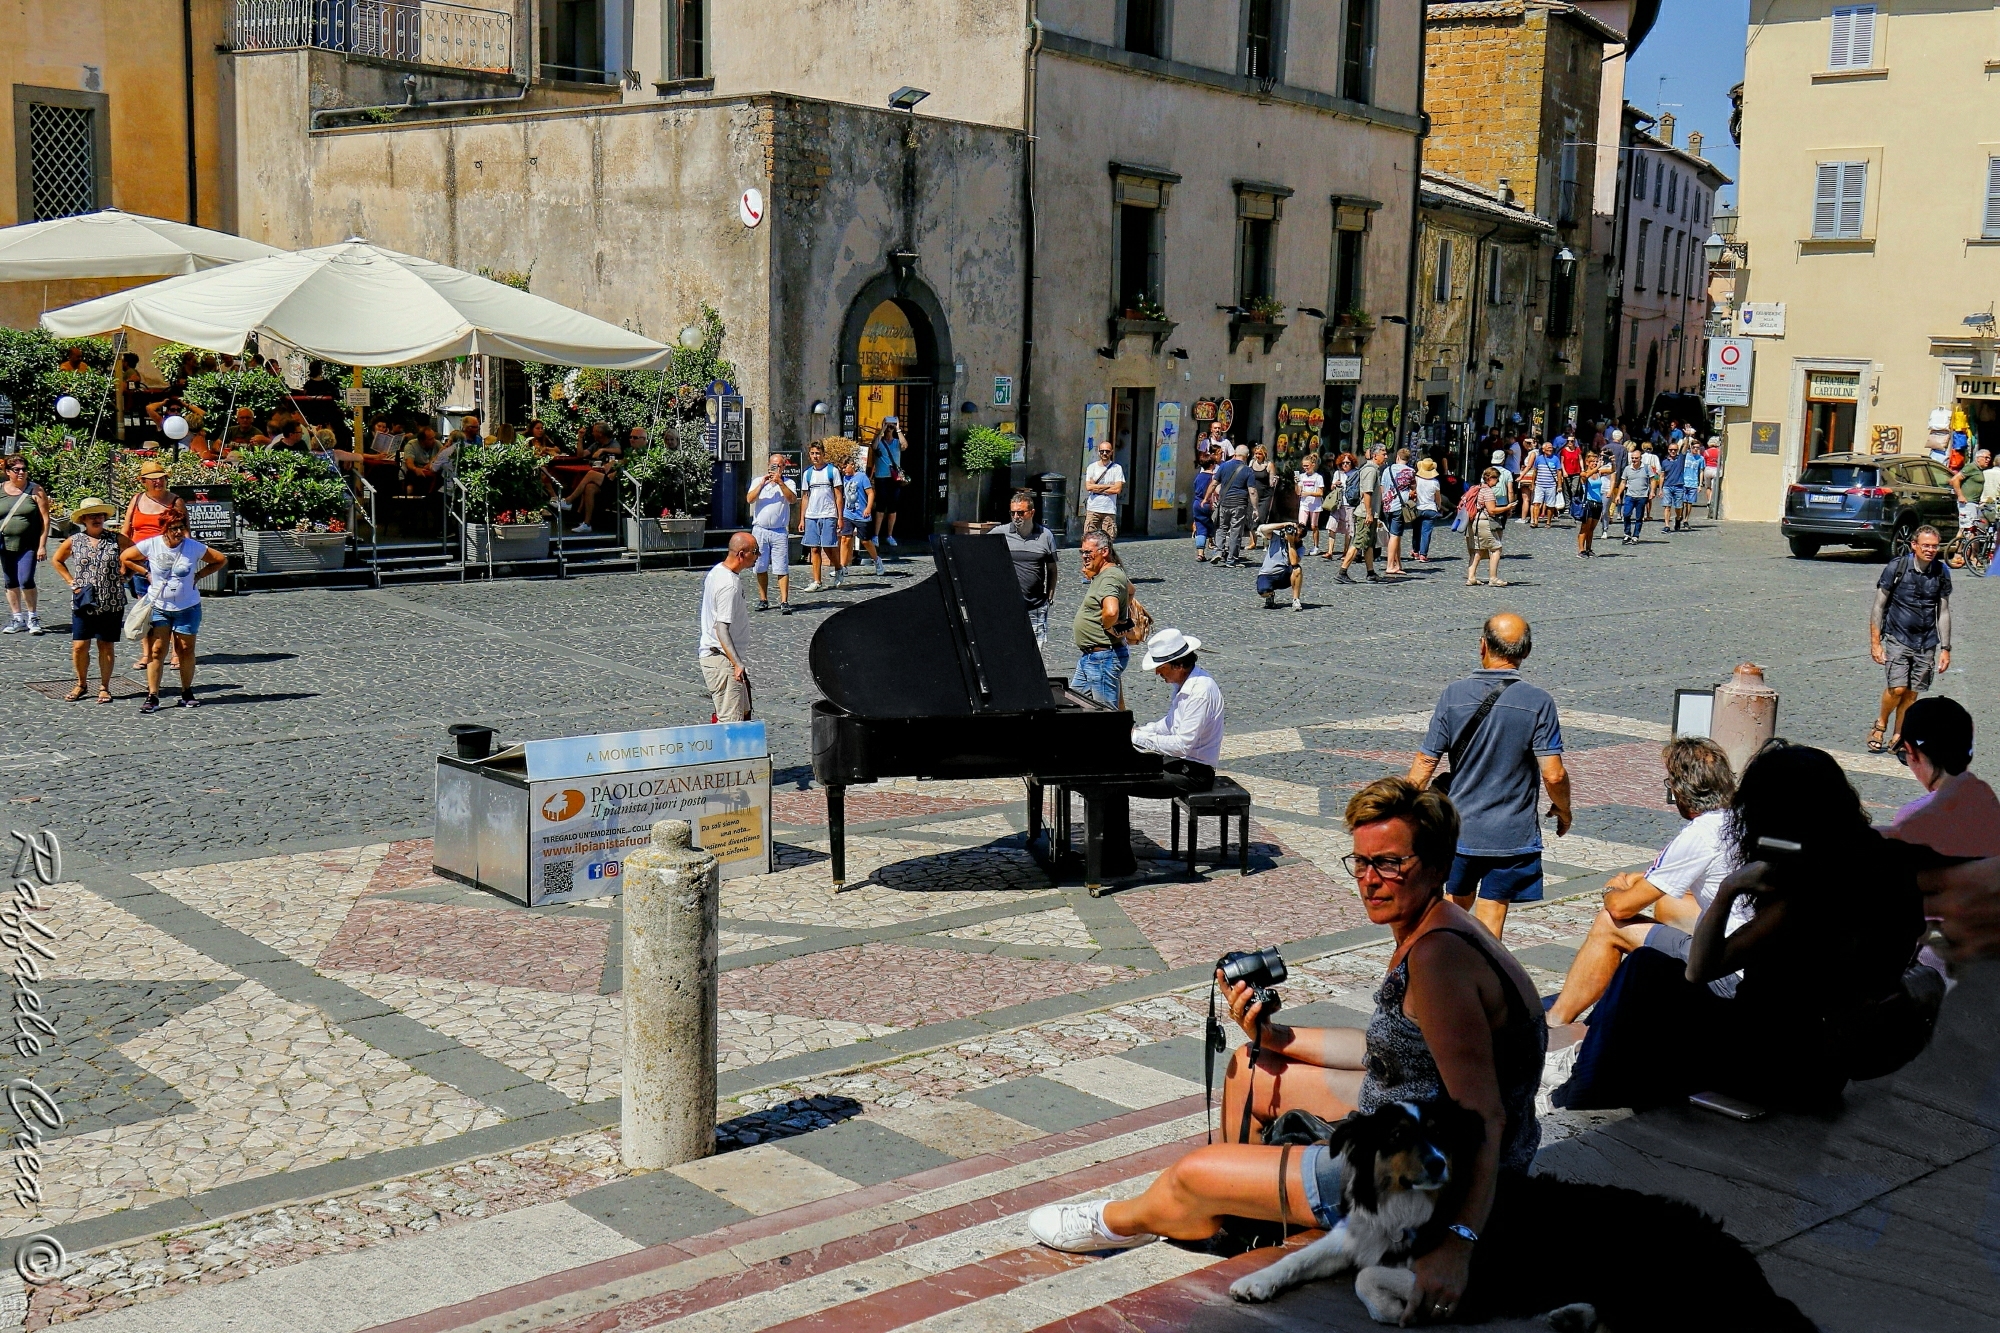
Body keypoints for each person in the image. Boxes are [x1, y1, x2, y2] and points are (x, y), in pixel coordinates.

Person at [1031, 776, 1546, 1333]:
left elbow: (1484, 1114)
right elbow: (1389, 1050)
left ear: (1438, 863)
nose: (1370, 880)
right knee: (1250, 1065)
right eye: (1361, 862)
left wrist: (1458, 1242)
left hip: (1419, 1180)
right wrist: (1274, 1036)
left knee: (1193, 1173)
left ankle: (1133, 1217)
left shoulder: (1438, 960)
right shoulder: (1440, 925)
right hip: (1403, 1123)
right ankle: (1242, 1213)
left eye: (1390, 863)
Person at [1554, 746, 1928, 1113]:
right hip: (1829, 1066)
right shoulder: (1883, 865)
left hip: (1773, 1066)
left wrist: (1729, 890)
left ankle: (1578, 1091)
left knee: (1645, 968)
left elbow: (1700, 969)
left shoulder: (1803, 895)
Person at [1546, 738, 1741, 1028]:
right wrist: (1643, 879)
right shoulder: (1740, 819)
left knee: (1609, 924)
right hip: (1753, 951)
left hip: (1726, 970)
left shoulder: (1701, 834)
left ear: (1680, 790)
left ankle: (1555, 1023)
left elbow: (1621, 908)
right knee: (1668, 904)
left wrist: (1612, 889)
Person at [1407, 614, 1570, 939]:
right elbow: (1553, 774)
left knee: (1451, 912)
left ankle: (1440, 964)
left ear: (1482, 646)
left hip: (1460, 830)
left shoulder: (1453, 695)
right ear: (1526, 652)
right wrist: (1564, 810)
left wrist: (1402, 815)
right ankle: (1482, 970)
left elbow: (1426, 761)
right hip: (1511, 835)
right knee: (1490, 924)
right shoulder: (1538, 702)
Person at [119, 509, 225, 714]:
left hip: (188, 607)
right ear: (164, 529)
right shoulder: (152, 544)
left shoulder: (193, 547)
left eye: (181, 528)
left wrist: (199, 575)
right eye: (173, 528)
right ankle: (153, 695)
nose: (178, 532)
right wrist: (146, 573)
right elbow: (126, 557)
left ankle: (187, 692)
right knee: (157, 650)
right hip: (160, 606)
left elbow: (220, 559)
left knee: (185, 649)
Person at [1868, 525, 1951, 753]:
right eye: (1926, 545)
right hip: (1898, 637)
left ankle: (1899, 734)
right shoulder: (1897, 567)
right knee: (1897, 688)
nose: (1930, 550)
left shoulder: (1941, 572)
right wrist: (1875, 643)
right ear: (1914, 545)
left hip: (1927, 642)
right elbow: (1878, 606)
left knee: (1912, 692)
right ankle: (1880, 724)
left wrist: (1946, 648)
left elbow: (1943, 611)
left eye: (1934, 546)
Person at [48, 499, 129, 703]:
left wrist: (126, 575)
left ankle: (104, 687)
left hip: (111, 600)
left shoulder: (116, 539)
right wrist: (71, 582)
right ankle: (81, 683)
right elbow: (57, 560)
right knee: (79, 645)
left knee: (106, 645)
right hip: (84, 600)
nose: (97, 519)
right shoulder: (75, 540)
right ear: (83, 519)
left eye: (100, 515)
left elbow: (138, 556)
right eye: (92, 515)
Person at [698, 532, 757, 722]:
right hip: (722, 660)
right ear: (741, 554)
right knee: (731, 723)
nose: (758, 555)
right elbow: (721, 628)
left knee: (744, 714)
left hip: (725, 657)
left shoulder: (718, 571)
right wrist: (737, 664)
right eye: (755, 551)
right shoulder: (728, 585)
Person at [1069, 533, 1132, 706]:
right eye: (1082, 552)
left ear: (1104, 551)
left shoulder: (1109, 577)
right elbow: (1130, 590)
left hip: (1102, 658)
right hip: (1093, 657)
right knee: (1073, 705)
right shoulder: (1107, 574)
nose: (1084, 556)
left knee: (1106, 713)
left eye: (1088, 552)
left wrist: (1109, 625)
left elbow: (1111, 612)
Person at [0, 457, 50, 636]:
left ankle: (32, 617)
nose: (21, 472)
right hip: (4, 544)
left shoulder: (36, 490)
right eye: (16, 469)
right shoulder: (1, 490)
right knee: (10, 581)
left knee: (26, 579)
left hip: (28, 545)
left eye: (24, 469)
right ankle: (17, 618)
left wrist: (42, 545)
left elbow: (45, 520)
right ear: (8, 472)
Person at [1003, 488, 1059, 645]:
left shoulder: (1045, 535)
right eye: (1013, 513)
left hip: (1036, 606)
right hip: (1008, 608)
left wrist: (1050, 596)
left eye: (1020, 513)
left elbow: (1052, 569)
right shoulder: (1000, 533)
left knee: (1035, 652)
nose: (1016, 517)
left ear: (1032, 512)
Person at [745, 453, 795, 615]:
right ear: (768, 465)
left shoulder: (789, 482)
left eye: (779, 466)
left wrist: (780, 482)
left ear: (784, 467)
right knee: (760, 565)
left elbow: (792, 499)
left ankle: (784, 601)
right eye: (773, 465)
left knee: (781, 566)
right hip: (760, 530)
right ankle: (763, 599)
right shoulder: (758, 481)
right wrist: (762, 484)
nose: (775, 468)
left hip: (779, 531)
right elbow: (750, 499)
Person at [797, 442, 842, 593]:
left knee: (828, 546)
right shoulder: (807, 474)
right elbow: (805, 497)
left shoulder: (832, 471)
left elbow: (838, 495)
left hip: (828, 513)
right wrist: (802, 518)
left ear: (823, 454)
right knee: (814, 548)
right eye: (812, 453)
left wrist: (840, 517)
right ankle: (817, 581)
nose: (815, 456)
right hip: (812, 515)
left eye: (818, 453)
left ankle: (838, 568)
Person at [1338, 445, 1385, 583]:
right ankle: (1342, 572)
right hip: (1365, 513)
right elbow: (1367, 493)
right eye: (1383, 454)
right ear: (1375, 456)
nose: (1386, 456)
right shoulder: (1370, 470)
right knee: (1358, 542)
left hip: (1370, 513)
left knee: (1369, 543)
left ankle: (1370, 573)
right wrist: (1369, 513)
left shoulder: (1373, 469)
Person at [1459, 467, 1509, 586]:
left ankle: (1471, 577)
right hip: (1483, 522)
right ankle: (1493, 578)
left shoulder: (1477, 488)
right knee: (1496, 549)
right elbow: (1491, 510)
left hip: (1473, 522)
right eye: (1497, 479)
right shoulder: (1487, 491)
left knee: (1477, 551)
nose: (1498, 481)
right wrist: (1507, 507)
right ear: (1490, 478)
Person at [835, 455, 881, 583]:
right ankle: (843, 567)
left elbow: (870, 493)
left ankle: (877, 560)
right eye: (842, 468)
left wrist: (868, 508)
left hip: (861, 514)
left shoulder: (861, 477)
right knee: (845, 539)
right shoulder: (844, 478)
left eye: (845, 467)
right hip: (848, 513)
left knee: (865, 541)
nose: (844, 470)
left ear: (852, 465)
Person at [1209, 444, 1253, 566]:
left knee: (1221, 528)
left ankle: (1218, 551)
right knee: (1235, 532)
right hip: (1239, 504)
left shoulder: (1223, 466)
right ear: (1247, 456)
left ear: (1235, 454)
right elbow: (1252, 491)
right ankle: (1231, 560)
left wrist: (1206, 498)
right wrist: (1255, 508)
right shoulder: (1248, 470)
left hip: (1224, 503)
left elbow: (1214, 484)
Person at [1380, 447, 1416, 576]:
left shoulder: (1387, 470)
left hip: (1387, 505)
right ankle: (1390, 565)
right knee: (1395, 536)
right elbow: (1414, 489)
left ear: (1397, 457)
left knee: (1394, 536)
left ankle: (1398, 563)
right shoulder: (1411, 472)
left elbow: (1382, 488)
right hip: (1400, 506)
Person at [1254, 521, 1304, 612]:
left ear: (1299, 538)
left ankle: (1296, 600)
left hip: (1284, 575)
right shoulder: (1277, 536)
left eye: (1296, 534)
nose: (1292, 533)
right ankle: (1270, 595)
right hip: (1267, 574)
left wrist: (1291, 542)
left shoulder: (1300, 547)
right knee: (1263, 591)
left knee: (1297, 569)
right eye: (1293, 530)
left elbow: (1294, 562)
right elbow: (1263, 529)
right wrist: (1285, 524)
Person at [870, 417, 903, 549]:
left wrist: (898, 429)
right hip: (881, 477)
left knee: (892, 508)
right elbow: (874, 446)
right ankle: (876, 535)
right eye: (888, 425)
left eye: (891, 425)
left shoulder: (896, 442)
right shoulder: (880, 441)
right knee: (880, 506)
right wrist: (882, 429)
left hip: (894, 478)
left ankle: (889, 535)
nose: (890, 427)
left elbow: (905, 445)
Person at [1612, 444, 1655, 544]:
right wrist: (1618, 495)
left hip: (1642, 496)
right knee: (1626, 514)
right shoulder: (1627, 469)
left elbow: (1653, 480)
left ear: (1640, 458)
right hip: (1630, 495)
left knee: (1639, 517)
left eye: (1636, 458)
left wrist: (1652, 491)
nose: (1634, 460)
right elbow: (1623, 482)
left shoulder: (1646, 468)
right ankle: (1627, 534)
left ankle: (1636, 535)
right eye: (1632, 458)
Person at [1083, 440, 1124, 540]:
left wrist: (1096, 487)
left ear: (1111, 452)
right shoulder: (1092, 467)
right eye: (1102, 451)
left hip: (1109, 509)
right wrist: (1109, 486)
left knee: (1108, 539)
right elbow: (1089, 487)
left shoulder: (1117, 468)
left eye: (1107, 451)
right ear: (1098, 452)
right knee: (1089, 538)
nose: (1104, 453)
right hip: (1093, 508)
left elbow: (1117, 489)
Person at [1321, 452, 1356, 563]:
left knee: (1348, 529)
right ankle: (1330, 551)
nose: (1345, 464)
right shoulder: (1338, 473)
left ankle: (1345, 552)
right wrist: (1335, 484)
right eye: (1343, 463)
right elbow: (1331, 487)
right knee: (1332, 527)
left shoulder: (1355, 474)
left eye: (1347, 463)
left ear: (1352, 463)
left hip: (1349, 504)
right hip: (1337, 504)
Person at [1575, 450, 1609, 557]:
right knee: (1585, 528)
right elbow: (1586, 476)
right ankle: (1581, 550)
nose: (1595, 463)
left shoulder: (1598, 473)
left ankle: (1589, 548)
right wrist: (1597, 467)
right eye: (1592, 461)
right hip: (1588, 503)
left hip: (1598, 503)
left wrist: (1612, 461)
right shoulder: (1584, 473)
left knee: (1591, 529)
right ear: (1587, 463)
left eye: (1596, 461)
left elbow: (1612, 470)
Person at [1951, 447, 1990, 535]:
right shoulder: (1971, 467)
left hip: (1973, 503)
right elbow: (1955, 480)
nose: (1988, 460)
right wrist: (1960, 495)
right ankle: (1962, 544)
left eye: (1989, 458)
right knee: (1967, 529)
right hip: (1967, 503)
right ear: (1978, 458)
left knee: (1969, 529)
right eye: (1986, 458)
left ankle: (1962, 544)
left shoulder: (1979, 470)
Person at [1191, 447, 1219, 563]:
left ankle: (1200, 554)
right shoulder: (1214, 477)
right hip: (1208, 504)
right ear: (1211, 465)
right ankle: (1217, 551)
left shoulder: (1198, 476)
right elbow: (1217, 491)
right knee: (1215, 528)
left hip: (1197, 504)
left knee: (1200, 528)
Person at [1293, 453, 1325, 555]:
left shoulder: (1318, 477)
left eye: (1307, 465)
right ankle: (1297, 545)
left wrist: (1308, 493)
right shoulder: (1302, 476)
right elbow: (1298, 492)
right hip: (1304, 504)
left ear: (1313, 465)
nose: (1305, 468)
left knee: (1314, 526)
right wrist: (1296, 483)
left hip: (1315, 505)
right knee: (1300, 526)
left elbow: (1320, 493)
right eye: (1303, 466)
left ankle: (1316, 546)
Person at [1671, 438, 1705, 531]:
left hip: (1693, 483)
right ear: (1691, 447)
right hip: (1683, 482)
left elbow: (1701, 471)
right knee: (1682, 502)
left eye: (1697, 448)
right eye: (1694, 447)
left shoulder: (1701, 459)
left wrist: (1700, 484)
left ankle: (1686, 520)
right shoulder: (1686, 456)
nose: (1696, 449)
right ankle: (1679, 517)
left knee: (1690, 503)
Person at [1245, 444, 1276, 546]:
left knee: (1262, 518)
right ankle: (1252, 542)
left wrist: (1274, 481)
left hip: (1264, 496)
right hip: (1253, 494)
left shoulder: (1269, 465)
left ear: (1264, 454)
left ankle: (1265, 541)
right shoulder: (1251, 463)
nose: (1257, 456)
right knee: (1251, 517)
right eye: (1256, 453)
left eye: (1259, 454)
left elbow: (1271, 482)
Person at [1413, 457, 1442, 561]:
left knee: (1416, 531)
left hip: (1418, 508)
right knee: (1426, 532)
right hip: (1430, 509)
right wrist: (1439, 506)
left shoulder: (1416, 479)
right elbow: (1437, 498)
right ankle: (1423, 555)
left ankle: (1415, 551)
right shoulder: (1435, 482)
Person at [1528, 440, 1562, 528]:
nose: (1550, 449)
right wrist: (1533, 484)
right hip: (1539, 485)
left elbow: (1559, 472)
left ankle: (1548, 522)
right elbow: (1535, 472)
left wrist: (1559, 485)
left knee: (1550, 505)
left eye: (1551, 448)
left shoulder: (1555, 459)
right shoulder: (1538, 459)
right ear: (1543, 449)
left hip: (1551, 486)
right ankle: (1535, 522)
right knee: (1536, 503)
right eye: (1548, 448)